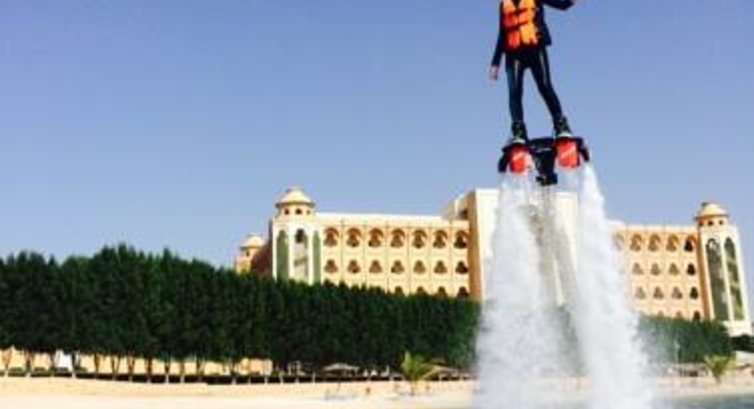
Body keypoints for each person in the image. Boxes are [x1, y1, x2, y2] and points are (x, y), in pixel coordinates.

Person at [489, 0, 578, 143]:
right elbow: (502, 33)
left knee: (545, 86)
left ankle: (560, 124)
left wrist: (570, 2)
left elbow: (560, 5)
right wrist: (495, 62)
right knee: (514, 92)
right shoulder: (504, 4)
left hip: (535, 48)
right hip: (514, 53)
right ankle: (518, 130)